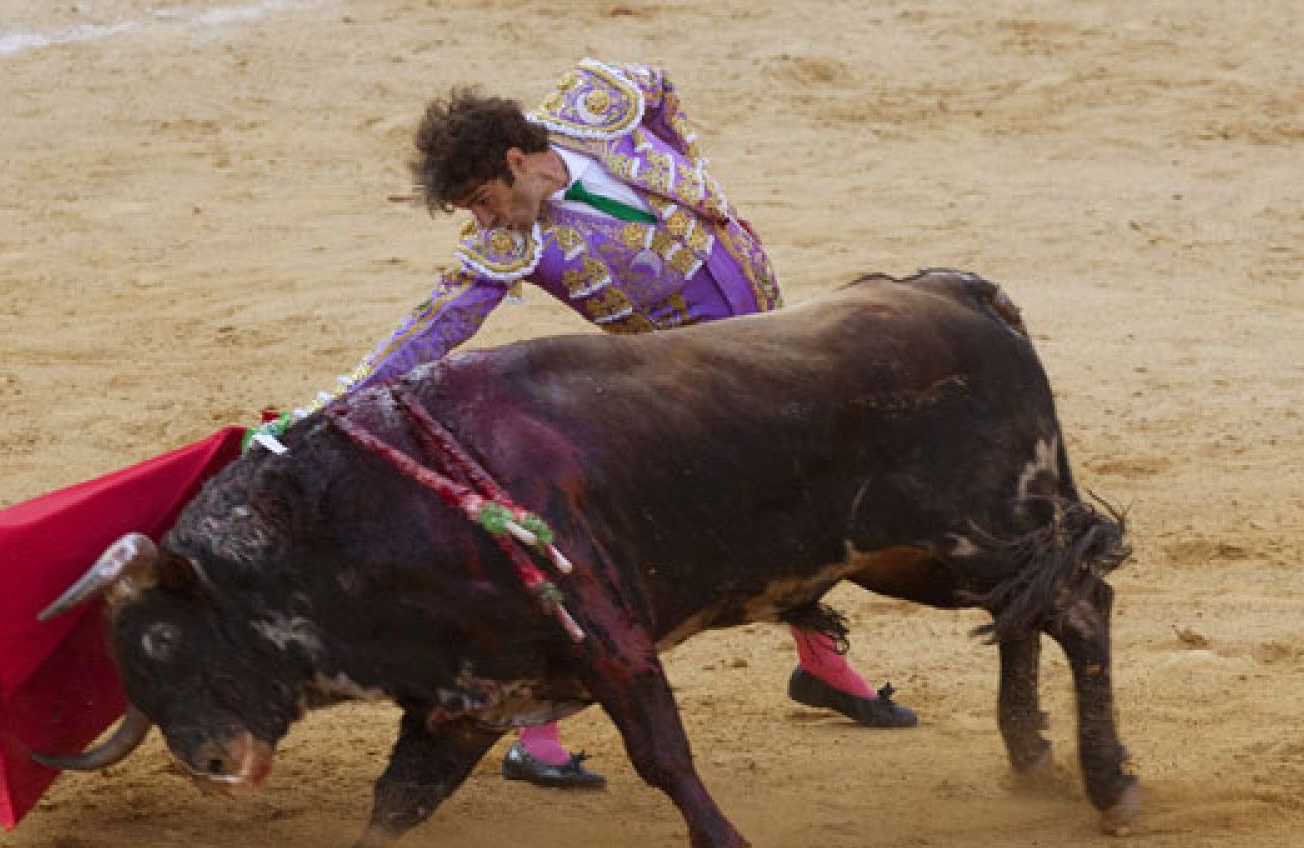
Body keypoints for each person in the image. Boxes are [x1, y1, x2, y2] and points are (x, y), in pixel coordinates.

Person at [263, 60, 917, 791]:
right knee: (676, 550)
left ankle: (821, 666)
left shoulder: (601, 110)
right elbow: (423, 333)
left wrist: (697, 178)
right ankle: (535, 733)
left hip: (773, 346)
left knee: (799, 505)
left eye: (483, 200)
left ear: (518, 161)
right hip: (692, 397)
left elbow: (661, 87)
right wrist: (322, 411)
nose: (485, 221)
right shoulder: (515, 247)